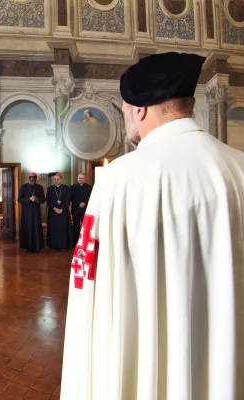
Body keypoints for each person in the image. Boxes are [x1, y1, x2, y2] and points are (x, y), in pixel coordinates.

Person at [61, 52, 244, 400]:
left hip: (146, 357)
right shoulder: (239, 168)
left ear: (140, 109)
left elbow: (88, 280)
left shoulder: (119, 179)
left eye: (124, 110)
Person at [17, 172, 46, 253]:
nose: (33, 181)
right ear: (29, 178)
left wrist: (37, 199)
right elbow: (19, 199)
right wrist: (28, 199)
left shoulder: (39, 187)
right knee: (28, 227)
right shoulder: (24, 187)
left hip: (36, 212)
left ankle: (37, 247)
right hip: (27, 212)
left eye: (34, 180)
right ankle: (28, 246)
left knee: (36, 228)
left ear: (36, 179)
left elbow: (43, 199)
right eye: (31, 180)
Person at [45, 173, 72, 250]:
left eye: (57, 179)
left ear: (61, 179)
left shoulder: (66, 188)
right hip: (53, 213)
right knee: (54, 229)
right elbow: (48, 201)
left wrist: (62, 209)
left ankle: (63, 245)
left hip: (63, 213)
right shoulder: (50, 189)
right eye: (55, 179)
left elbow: (68, 200)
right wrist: (54, 208)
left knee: (63, 229)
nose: (56, 181)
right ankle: (53, 245)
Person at [69, 173, 92, 246]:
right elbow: (70, 198)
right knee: (76, 226)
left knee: (85, 225)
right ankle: (76, 241)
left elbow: (91, 198)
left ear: (85, 179)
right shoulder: (73, 187)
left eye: (82, 178)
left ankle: (85, 241)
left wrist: (85, 202)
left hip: (85, 209)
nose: (80, 179)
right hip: (75, 209)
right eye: (79, 178)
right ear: (77, 178)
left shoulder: (89, 187)